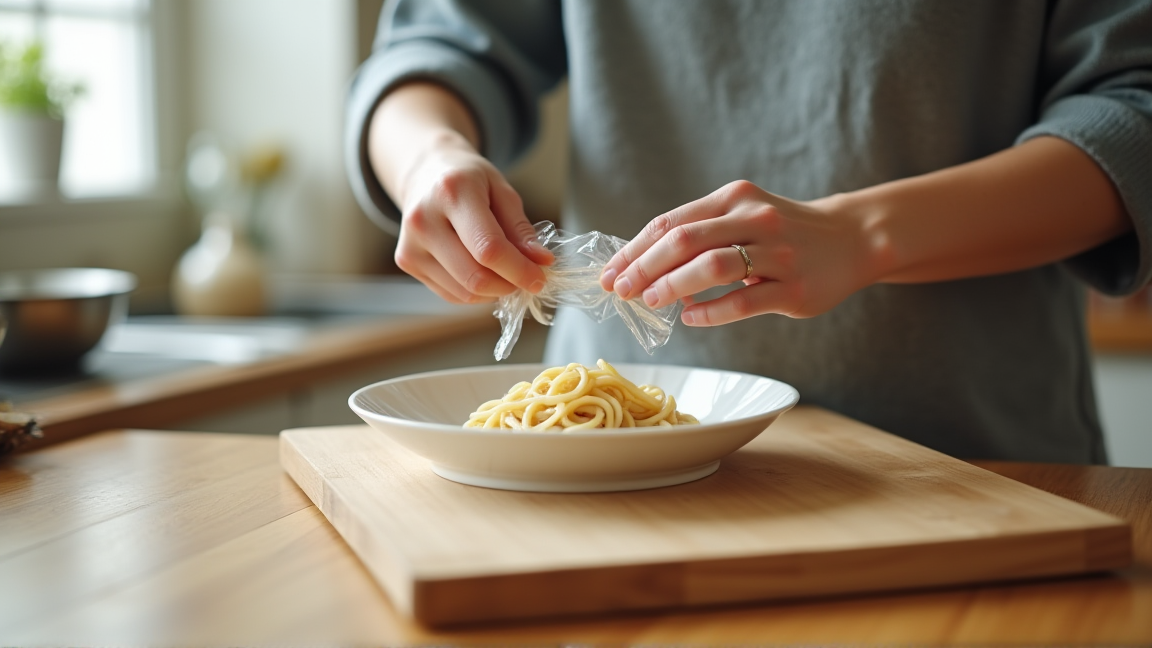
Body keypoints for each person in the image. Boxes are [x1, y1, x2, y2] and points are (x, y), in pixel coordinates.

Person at [344, 1, 1152, 463]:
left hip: (975, 459)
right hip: (599, 468)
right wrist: (428, 159)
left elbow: (1133, 112)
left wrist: (867, 233)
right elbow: (435, 48)